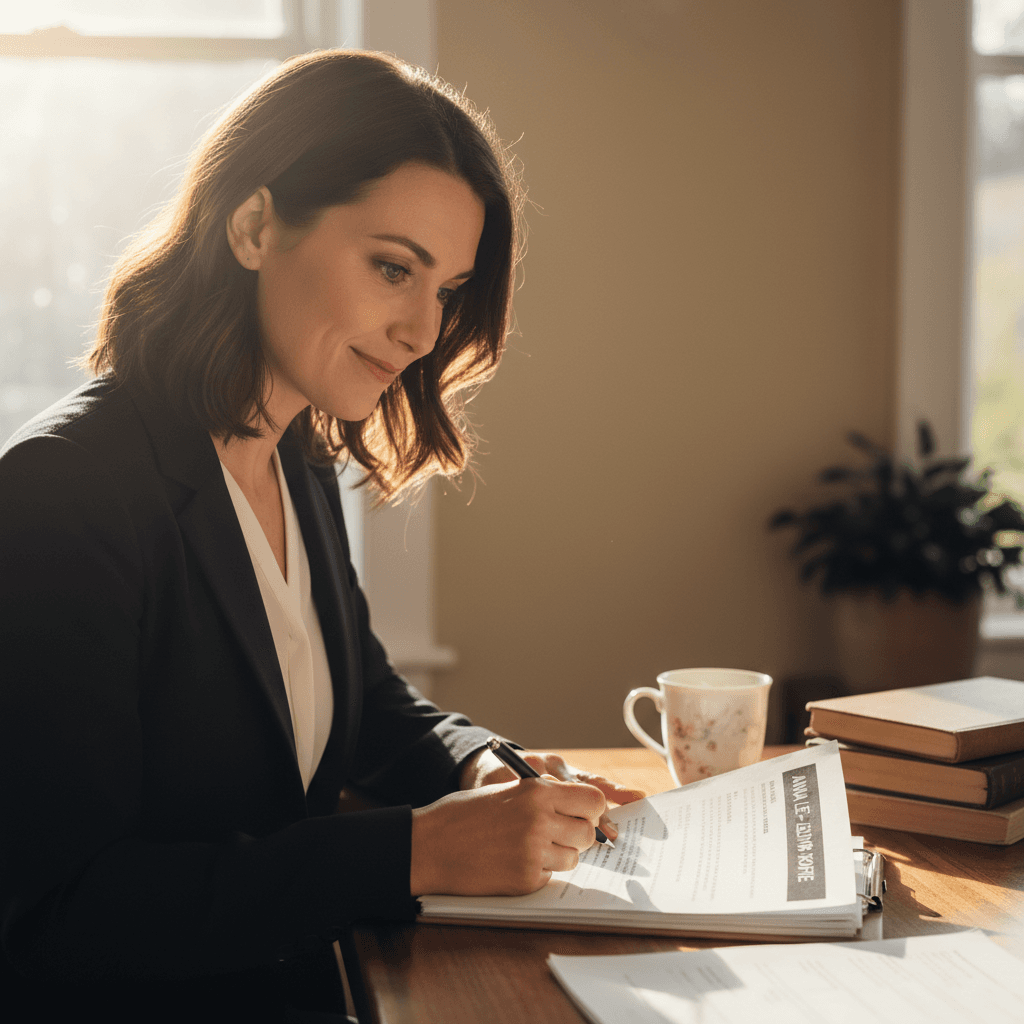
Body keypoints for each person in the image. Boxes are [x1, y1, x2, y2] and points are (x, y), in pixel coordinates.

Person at [0, 50, 642, 1022]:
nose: (424, 330)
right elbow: (60, 912)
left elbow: (367, 699)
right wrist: (418, 850)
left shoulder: (294, 457)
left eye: (448, 290)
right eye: (394, 268)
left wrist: (480, 762)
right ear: (254, 226)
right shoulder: (65, 490)